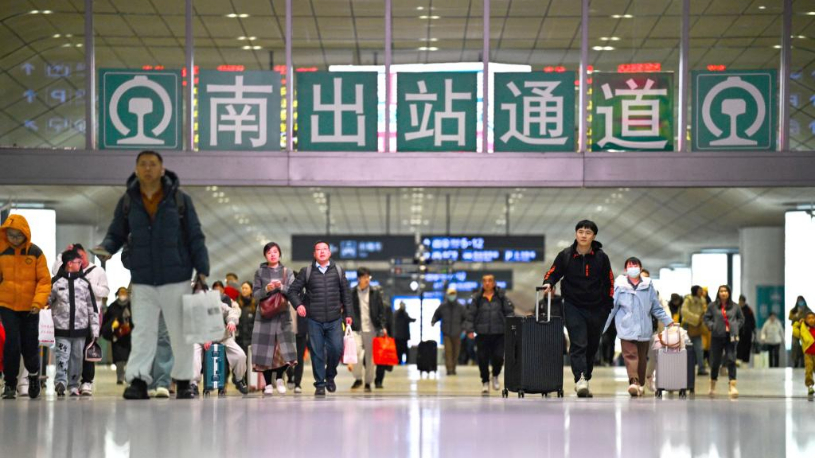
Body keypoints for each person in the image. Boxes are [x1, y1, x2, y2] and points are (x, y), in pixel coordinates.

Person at [94, 150, 209, 400]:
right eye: (143, 164)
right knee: (142, 332)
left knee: (179, 333)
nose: (148, 168)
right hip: (143, 279)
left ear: (162, 169)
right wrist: (106, 248)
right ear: (136, 170)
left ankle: (184, 381)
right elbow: (116, 232)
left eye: (152, 164)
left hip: (176, 277)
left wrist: (202, 270)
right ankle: (137, 380)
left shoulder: (180, 200)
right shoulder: (128, 201)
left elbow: (195, 236)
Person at [541, 220, 614, 398]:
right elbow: (553, 272)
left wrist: (608, 303)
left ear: (593, 236)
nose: (583, 235)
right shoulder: (566, 255)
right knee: (578, 343)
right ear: (576, 234)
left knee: (592, 346)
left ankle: (586, 377)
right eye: (580, 231)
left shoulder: (601, 258)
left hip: (597, 307)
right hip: (573, 305)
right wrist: (548, 283)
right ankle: (580, 379)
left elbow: (609, 281)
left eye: (588, 233)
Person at [286, 241, 353, 397]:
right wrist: (298, 305)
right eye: (318, 250)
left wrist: (348, 314)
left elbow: (346, 295)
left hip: (335, 319)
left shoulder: (338, 271)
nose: (322, 252)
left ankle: (330, 376)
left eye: (325, 249)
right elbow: (292, 291)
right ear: (314, 254)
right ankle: (320, 384)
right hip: (314, 320)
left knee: (336, 349)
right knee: (317, 353)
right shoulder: (307, 271)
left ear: (329, 253)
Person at [604, 259, 674, 397]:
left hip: (644, 329)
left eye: (635, 265)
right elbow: (612, 308)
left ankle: (640, 384)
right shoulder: (619, 286)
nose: (632, 268)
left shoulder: (648, 286)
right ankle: (634, 381)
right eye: (630, 266)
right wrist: (603, 327)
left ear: (640, 268)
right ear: (625, 270)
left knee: (642, 359)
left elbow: (656, 308)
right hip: (626, 327)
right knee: (630, 355)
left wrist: (669, 322)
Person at [0, 214, 51, 400]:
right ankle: (10, 384)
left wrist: (38, 303)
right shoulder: (1, 252)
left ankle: (33, 376)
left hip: (30, 308)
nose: (14, 239)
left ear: (25, 234)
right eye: (11, 235)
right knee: (12, 344)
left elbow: (44, 281)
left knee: (30, 346)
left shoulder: (35, 253)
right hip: (7, 305)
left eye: (18, 235)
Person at [52, 243, 110, 396]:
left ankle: (74, 384)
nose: (81, 264)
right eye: (78, 262)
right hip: (62, 328)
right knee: (62, 355)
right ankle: (60, 382)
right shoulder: (57, 283)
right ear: (70, 264)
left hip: (81, 329)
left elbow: (92, 307)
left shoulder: (85, 284)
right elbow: (48, 300)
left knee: (77, 358)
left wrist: (95, 330)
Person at [254, 242, 299, 396]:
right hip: (264, 315)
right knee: (265, 350)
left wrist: (281, 287)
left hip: (282, 314)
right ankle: (267, 384)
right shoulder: (260, 272)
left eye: (275, 252)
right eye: (269, 252)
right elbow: (255, 295)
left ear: (279, 254)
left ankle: (280, 378)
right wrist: (267, 289)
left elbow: (293, 292)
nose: (272, 254)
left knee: (285, 349)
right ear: (265, 255)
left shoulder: (288, 272)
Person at [192, 284, 248, 396]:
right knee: (194, 354)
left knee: (240, 355)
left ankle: (239, 378)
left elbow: (232, 311)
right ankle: (193, 384)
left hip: (222, 337)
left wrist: (231, 321)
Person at [465, 274, 514, 394]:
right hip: (482, 334)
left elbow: (509, 313)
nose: (487, 283)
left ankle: (495, 375)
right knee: (482, 359)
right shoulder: (477, 298)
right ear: (482, 283)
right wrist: (470, 330)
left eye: (490, 281)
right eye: (485, 281)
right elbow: (471, 315)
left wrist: (511, 328)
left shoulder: (501, 297)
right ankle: (485, 381)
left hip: (499, 333)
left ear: (494, 283)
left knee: (498, 357)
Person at [348, 267, 386, 392]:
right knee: (356, 354)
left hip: (371, 329)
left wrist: (382, 326)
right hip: (356, 328)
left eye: (368, 277)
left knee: (370, 358)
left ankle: (368, 382)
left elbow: (381, 310)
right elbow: (348, 309)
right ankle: (358, 378)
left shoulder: (375, 292)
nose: (367, 280)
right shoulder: (352, 292)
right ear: (359, 278)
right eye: (364, 277)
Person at [703, 285, 745, 398]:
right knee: (715, 361)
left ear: (729, 293)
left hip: (731, 336)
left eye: (725, 291)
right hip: (717, 336)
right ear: (718, 293)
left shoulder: (735, 306)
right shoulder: (712, 306)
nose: (723, 293)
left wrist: (735, 326)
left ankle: (732, 386)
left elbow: (741, 319)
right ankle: (712, 385)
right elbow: (706, 318)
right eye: (721, 291)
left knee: (731, 359)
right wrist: (712, 326)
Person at [101, 287, 133, 385]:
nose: (122, 295)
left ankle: (129, 376)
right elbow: (106, 321)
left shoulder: (131, 306)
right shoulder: (112, 307)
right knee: (119, 359)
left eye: (124, 293)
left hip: (130, 337)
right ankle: (120, 377)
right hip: (117, 337)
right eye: (121, 293)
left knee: (130, 358)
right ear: (117, 294)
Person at [432, 286, 466, 376]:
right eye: (450, 294)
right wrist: (433, 320)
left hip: (457, 333)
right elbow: (436, 315)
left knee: (456, 352)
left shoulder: (460, 307)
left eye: (453, 294)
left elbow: (465, 319)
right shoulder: (443, 306)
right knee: (448, 351)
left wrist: (463, 329)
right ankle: (449, 369)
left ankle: (453, 368)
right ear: (447, 295)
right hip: (446, 333)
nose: (452, 296)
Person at [681, 285, 709, 376]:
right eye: (699, 290)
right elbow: (684, 311)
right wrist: (696, 318)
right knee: (685, 348)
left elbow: (704, 312)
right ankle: (684, 368)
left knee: (699, 348)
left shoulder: (703, 300)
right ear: (695, 291)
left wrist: (701, 319)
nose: (701, 292)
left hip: (698, 326)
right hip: (687, 325)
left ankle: (701, 368)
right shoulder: (688, 299)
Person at [792, 312, 815, 395]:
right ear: (805, 320)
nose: (811, 320)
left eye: (813, 318)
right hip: (808, 354)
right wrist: (798, 323)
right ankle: (810, 386)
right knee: (809, 370)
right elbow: (795, 332)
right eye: (809, 318)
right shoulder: (803, 329)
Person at [374, 303, 395, 389]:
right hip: (373, 335)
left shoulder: (386, 307)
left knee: (381, 361)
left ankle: (378, 380)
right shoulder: (386, 307)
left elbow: (390, 323)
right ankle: (374, 380)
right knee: (368, 360)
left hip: (381, 336)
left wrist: (391, 337)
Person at [236, 281, 256, 356]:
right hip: (239, 338)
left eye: (246, 288)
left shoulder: (255, 304)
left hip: (251, 338)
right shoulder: (237, 303)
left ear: (251, 290)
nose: (244, 290)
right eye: (243, 288)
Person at [790, 296, 811, 368]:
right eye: (799, 301)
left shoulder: (808, 310)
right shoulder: (794, 311)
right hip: (796, 331)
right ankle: (795, 362)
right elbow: (792, 321)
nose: (800, 302)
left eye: (801, 301)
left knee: (805, 347)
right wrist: (796, 316)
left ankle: (804, 362)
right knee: (795, 346)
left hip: (805, 331)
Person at [736, 295, 756, 365]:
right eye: (739, 301)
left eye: (741, 301)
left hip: (747, 331)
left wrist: (753, 329)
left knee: (747, 347)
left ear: (744, 302)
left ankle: (745, 362)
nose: (740, 303)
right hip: (739, 331)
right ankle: (738, 360)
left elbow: (752, 320)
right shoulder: (737, 309)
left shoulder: (748, 310)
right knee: (739, 346)